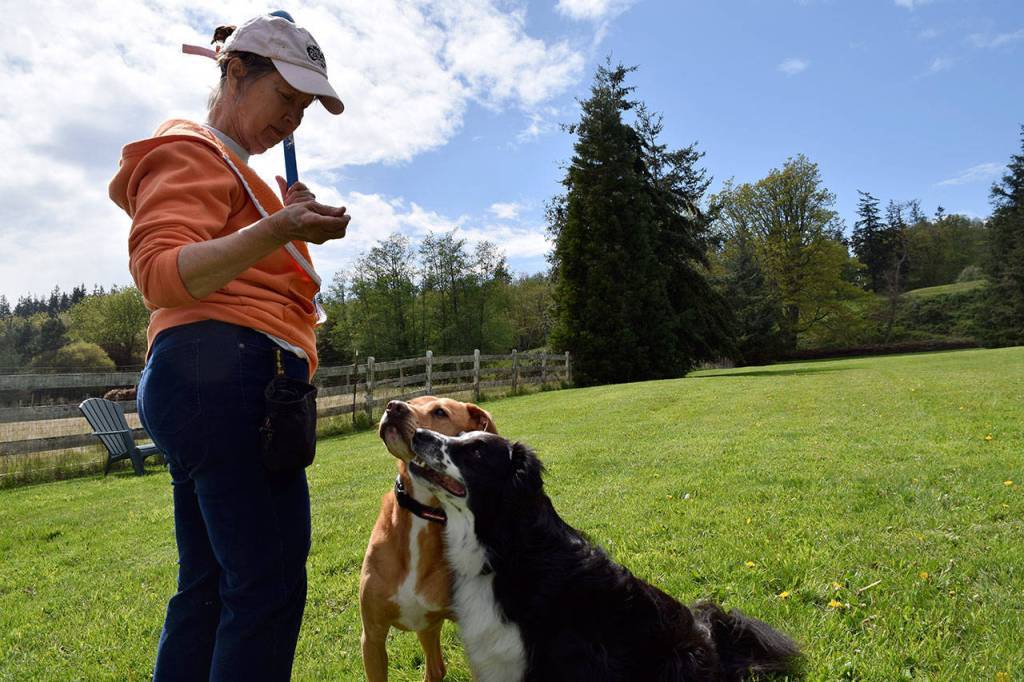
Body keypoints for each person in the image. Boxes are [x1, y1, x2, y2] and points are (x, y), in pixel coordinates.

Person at [108, 14, 350, 681]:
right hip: (229, 376)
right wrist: (280, 226)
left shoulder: (241, 174)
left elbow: (261, 273)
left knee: (212, 586)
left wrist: (286, 225)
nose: (294, 119)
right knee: (265, 586)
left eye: (305, 108)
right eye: (286, 98)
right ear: (236, 72)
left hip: (209, 380)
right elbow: (162, 273)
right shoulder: (192, 150)